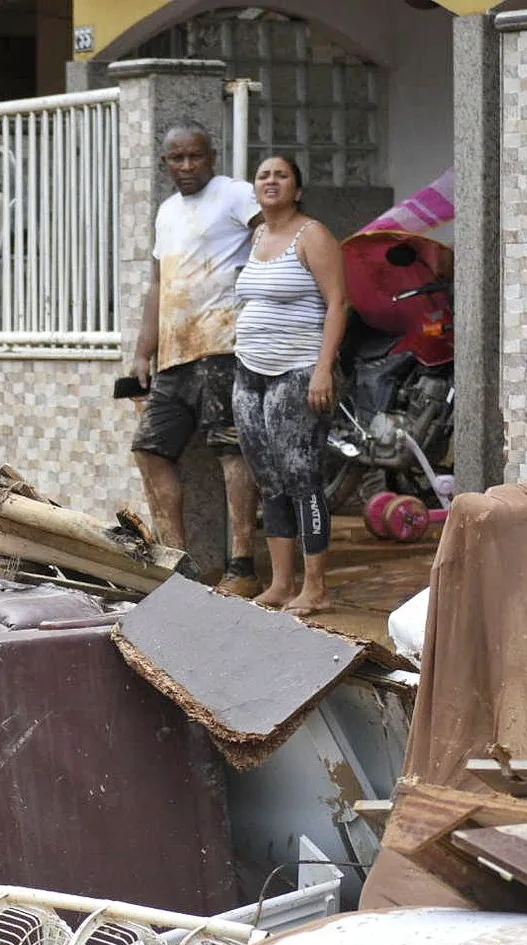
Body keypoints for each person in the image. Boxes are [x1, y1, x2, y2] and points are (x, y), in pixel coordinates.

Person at [126, 122, 263, 596]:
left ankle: (242, 566)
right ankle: (176, 566)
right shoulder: (166, 212)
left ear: (212, 155)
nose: (187, 167)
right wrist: (144, 351)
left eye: (195, 157)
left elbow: (273, 237)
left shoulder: (236, 194)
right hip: (175, 357)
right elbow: (160, 286)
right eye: (177, 159)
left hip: (227, 347)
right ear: (164, 163)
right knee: (150, 449)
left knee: (231, 449)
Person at [232, 155, 349, 616]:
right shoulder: (258, 234)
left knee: (302, 477)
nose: (271, 181)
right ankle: (282, 584)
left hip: (297, 372)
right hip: (249, 372)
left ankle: (316, 587)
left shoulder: (312, 235)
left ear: (298, 190)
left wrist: (324, 369)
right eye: (263, 176)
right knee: (268, 479)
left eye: (281, 175)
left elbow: (339, 303)